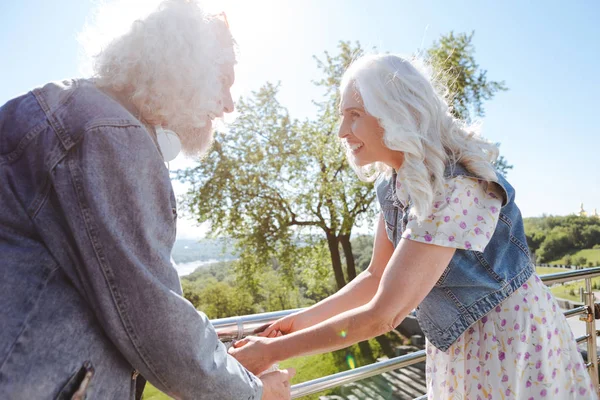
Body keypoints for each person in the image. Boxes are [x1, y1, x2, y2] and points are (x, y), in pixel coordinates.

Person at [229, 54, 597, 399]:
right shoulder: (395, 185)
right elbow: (376, 276)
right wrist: (295, 323)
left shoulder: (457, 187)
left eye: (354, 114)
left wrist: (272, 351)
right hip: (461, 342)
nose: (342, 130)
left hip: (507, 341)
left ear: (396, 113)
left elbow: (384, 314)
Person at [0, 1, 294, 399]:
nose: (230, 104)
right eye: (223, 80)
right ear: (182, 67)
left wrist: (217, 356)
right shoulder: (108, 133)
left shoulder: (85, 116)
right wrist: (254, 394)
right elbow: (154, 318)